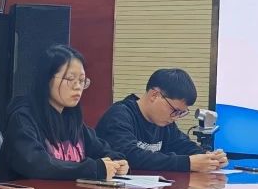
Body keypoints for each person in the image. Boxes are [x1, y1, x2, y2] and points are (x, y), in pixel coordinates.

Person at [0, 44, 129, 181]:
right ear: (46, 79)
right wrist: (93, 169)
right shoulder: (23, 118)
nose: (78, 87)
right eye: (70, 79)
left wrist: (117, 162)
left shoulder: (72, 119)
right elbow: (37, 165)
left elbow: (102, 150)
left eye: (82, 81)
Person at [96, 69, 228, 173]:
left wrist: (208, 157)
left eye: (181, 113)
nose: (175, 117)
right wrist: (187, 163)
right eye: (175, 110)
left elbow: (182, 145)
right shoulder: (119, 116)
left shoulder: (164, 122)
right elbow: (130, 156)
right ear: (154, 95)